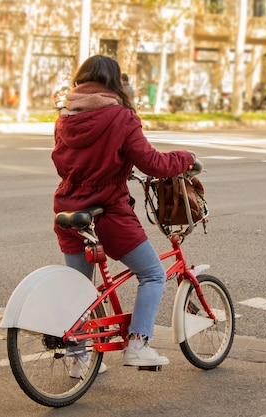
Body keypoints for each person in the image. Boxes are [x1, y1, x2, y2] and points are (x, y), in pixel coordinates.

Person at [51, 55, 199, 372]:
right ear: (115, 83)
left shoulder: (65, 117)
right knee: (153, 274)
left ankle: (78, 359)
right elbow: (154, 164)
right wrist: (186, 157)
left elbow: (65, 162)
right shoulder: (121, 117)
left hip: (68, 208)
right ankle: (138, 344)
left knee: (80, 287)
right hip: (107, 211)